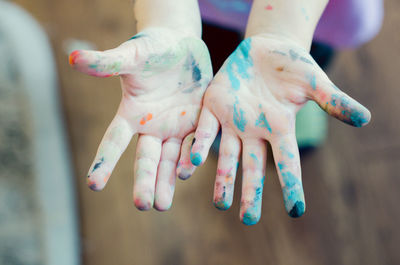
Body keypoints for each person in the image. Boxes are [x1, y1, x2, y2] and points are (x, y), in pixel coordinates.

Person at [69, 0, 382, 225]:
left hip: (309, 14)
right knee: (214, 55)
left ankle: (295, 101)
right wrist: (170, 23)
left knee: (301, 62)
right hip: (206, 9)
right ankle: (225, 98)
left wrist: (282, 35)